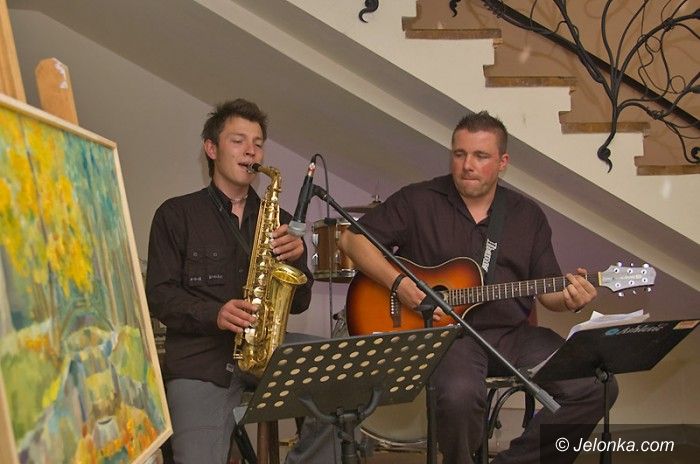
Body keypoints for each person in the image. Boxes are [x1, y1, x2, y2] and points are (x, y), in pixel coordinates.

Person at [338, 110, 618, 463]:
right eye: (460, 154)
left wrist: (573, 297)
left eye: (481, 156)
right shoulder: (418, 200)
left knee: (596, 385)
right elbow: (351, 240)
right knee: (458, 395)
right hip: (449, 339)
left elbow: (550, 295)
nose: (467, 165)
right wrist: (401, 283)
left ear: (503, 162)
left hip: (512, 335)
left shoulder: (526, 215)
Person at [146, 99, 338, 464]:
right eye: (238, 141)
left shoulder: (280, 219)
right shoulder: (176, 214)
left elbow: (300, 302)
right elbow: (159, 296)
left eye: (258, 143)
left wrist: (296, 258)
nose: (251, 150)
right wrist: (215, 313)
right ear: (211, 148)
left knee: (339, 372)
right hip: (202, 360)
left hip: (267, 348)